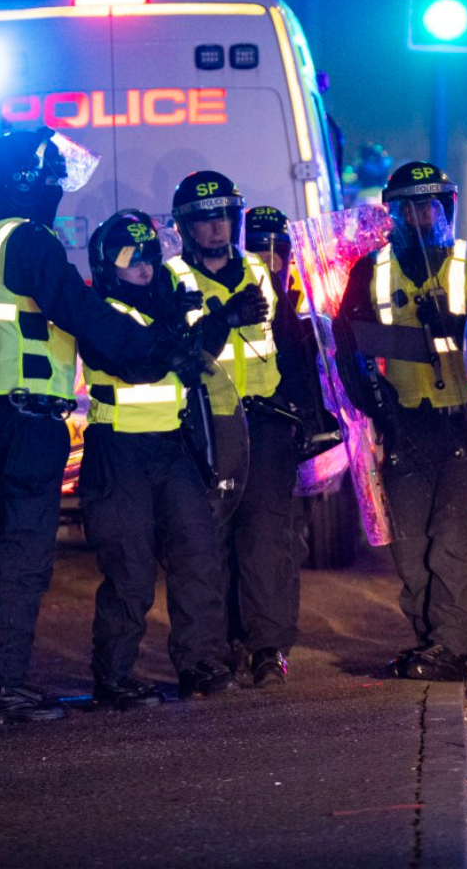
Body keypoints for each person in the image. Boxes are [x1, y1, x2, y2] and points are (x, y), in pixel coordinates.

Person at [0, 128, 173, 724]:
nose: (58, 187)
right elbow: (79, 311)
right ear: (30, 180)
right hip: (27, 423)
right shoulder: (30, 241)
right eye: (52, 176)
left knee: (5, 552)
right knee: (22, 558)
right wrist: (153, 342)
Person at [333, 162, 467, 682]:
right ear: (392, 213)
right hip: (404, 426)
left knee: (456, 543)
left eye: (427, 205)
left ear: (446, 209)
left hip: (465, 427)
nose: (417, 216)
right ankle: (429, 639)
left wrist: (458, 327)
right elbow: (348, 342)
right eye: (406, 207)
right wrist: (372, 401)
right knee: (411, 549)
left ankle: (452, 647)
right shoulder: (371, 269)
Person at [80, 210, 245, 707]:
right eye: (131, 260)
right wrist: (188, 324)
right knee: (129, 569)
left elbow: (194, 363)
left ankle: (199, 663)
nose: (144, 269)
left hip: (170, 447)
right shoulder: (99, 312)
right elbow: (141, 364)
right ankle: (113, 676)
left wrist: (219, 320)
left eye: (150, 257)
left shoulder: (164, 304)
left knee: (197, 554)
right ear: (109, 266)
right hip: (119, 451)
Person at [167, 175, 298, 688]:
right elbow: (177, 349)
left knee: (268, 541)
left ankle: (268, 649)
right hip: (204, 425)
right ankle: (207, 654)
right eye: (204, 216)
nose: (217, 225)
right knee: (202, 543)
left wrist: (304, 413)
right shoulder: (172, 277)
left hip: (263, 423)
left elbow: (289, 342)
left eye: (225, 214)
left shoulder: (260, 274)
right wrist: (226, 317)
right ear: (185, 227)